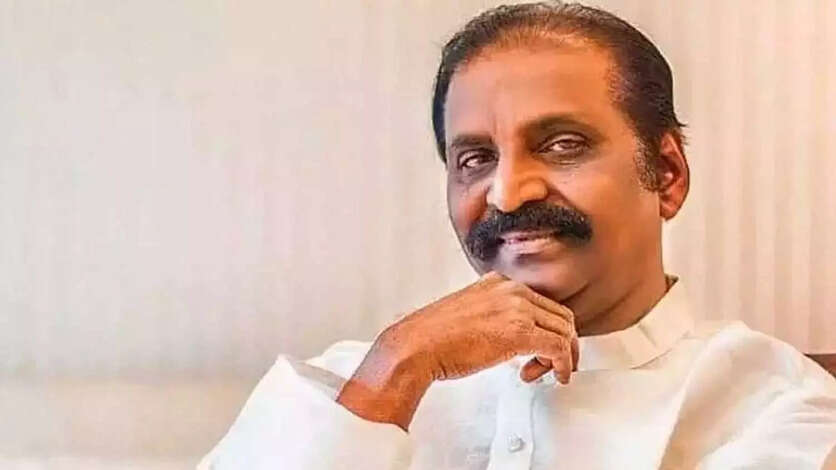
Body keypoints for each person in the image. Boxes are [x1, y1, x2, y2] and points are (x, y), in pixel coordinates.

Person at [198, 2, 836, 469]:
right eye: (475, 159)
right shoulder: (344, 387)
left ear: (666, 175)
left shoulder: (775, 405)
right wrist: (394, 374)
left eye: (562, 145)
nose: (508, 193)